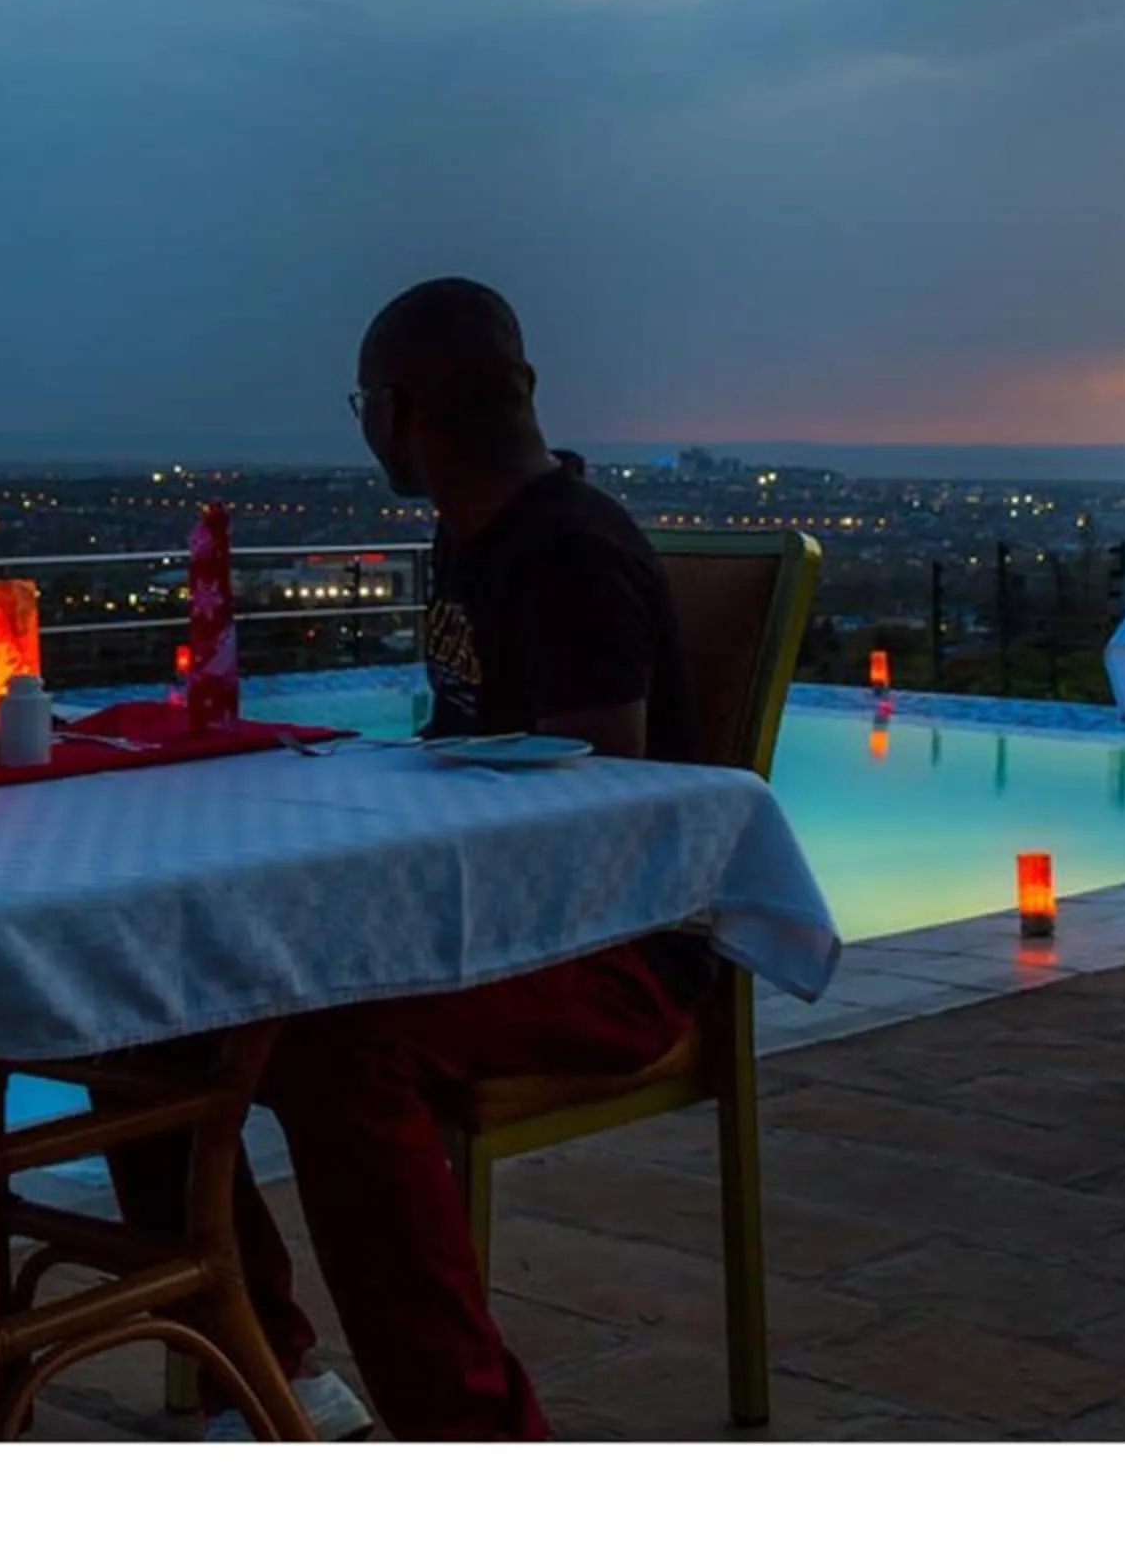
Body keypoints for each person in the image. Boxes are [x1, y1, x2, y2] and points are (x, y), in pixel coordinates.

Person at [110, 276, 703, 1441]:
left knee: (343, 1049)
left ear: (395, 412)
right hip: (488, 922)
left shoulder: (569, 556)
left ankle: (470, 1433)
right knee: (148, 1004)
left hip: (617, 950)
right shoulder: (480, 536)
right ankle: (268, 1376)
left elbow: (591, 815)